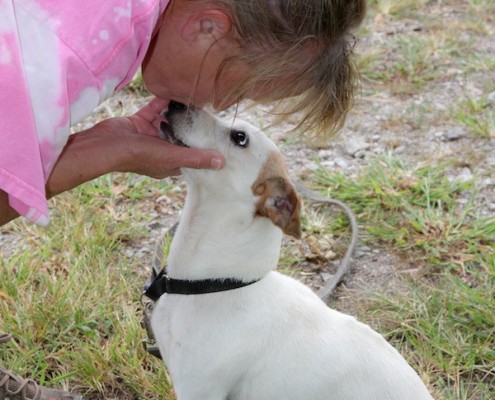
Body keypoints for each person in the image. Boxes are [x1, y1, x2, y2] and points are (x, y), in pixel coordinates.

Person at [0, 0, 366, 398]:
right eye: (236, 88)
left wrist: (105, 149)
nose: (219, 106)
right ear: (207, 27)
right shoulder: (68, 47)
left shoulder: (116, 20)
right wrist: (108, 154)